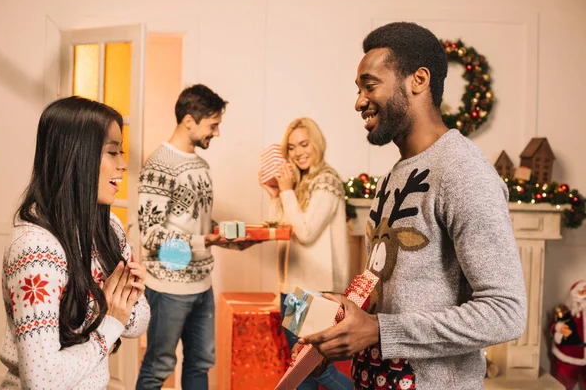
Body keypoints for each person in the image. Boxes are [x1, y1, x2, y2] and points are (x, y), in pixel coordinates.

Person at [300, 22, 527, 389]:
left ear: (418, 81)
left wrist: (378, 330)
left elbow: (506, 313)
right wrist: (346, 323)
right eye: (358, 89)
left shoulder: (462, 170)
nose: (358, 101)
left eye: (370, 85)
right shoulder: (393, 176)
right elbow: (391, 293)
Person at [0, 96, 150, 390]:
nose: (123, 164)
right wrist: (111, 320)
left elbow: (138, 323)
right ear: (77, 155)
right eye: (112, 152)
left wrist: (122, 304)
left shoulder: (109, 229)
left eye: (122, 152)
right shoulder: (35, 249)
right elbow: (41, 381)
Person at [137, 84, 254, 390]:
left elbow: (195, 221)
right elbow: (151, 234)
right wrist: (205, 242)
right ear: (189, 120)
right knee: (158, 367)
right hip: (168, 286)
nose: (216, 133)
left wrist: (229, 238)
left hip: (202, 284)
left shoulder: (200, 165)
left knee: (200, 363)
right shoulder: (159, 165)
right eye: (213, 125)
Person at [260, 117, 353, 390]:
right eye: (291, 147)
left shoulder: (326, 181)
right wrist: (276, 195)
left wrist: (287, 191)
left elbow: (306, 232)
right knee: (302, 372)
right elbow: (279, 231)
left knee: (311, 368)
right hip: (294, 288)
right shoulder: (302, 182)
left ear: (317, 143)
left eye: (304, 144)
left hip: (312, 291)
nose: (298, 152)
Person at [550, 280, 586, 389]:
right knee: (563, 384)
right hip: (569, 356)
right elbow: (553, 326)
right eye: (582, 292)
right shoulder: (565, 311)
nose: (584, 296)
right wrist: (560, 328)